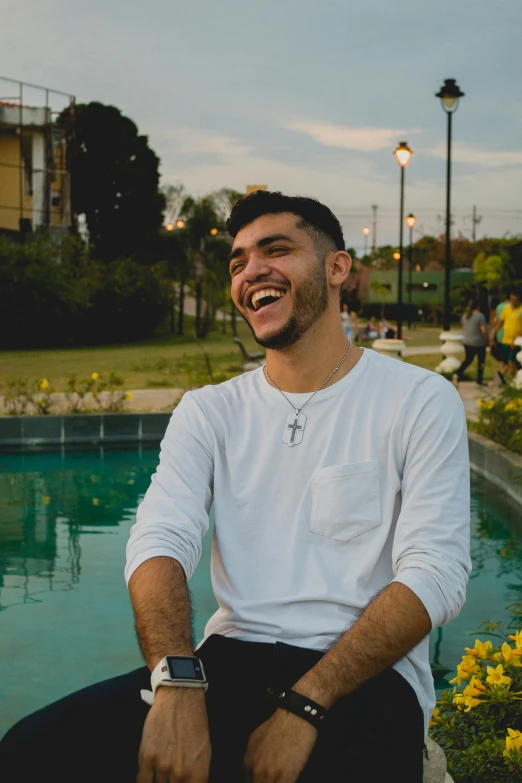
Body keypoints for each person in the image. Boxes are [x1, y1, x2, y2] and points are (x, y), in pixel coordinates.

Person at [0, 191, 471, 783]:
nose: (253, 271)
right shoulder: (209, 411)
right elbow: (159, 541)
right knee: (30, 751)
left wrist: (306, 703)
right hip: (228, 662)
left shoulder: (418, 399)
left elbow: (436, 573)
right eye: (239, 261)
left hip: (364, 678)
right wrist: (175, 683)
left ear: (337, 269)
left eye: (277, 249)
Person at [453, 298, 489, 386]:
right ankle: (479, 379)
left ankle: (458, 373)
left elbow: (465, 328)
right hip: (479, 342)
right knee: (481, 361)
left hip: (467, 341)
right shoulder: (480, 316)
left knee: (468, 360)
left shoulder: (465, 316)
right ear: (478, 306)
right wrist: (487, 339)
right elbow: (483, 330)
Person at [489, 287, 522, 380]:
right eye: (511, 300)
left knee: (511, 361)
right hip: (505, 340)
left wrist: (516, 340)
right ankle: (509, 377)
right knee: (506, 361)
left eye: (515, 300)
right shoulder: (506, 308)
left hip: (516, 342)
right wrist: (493, 334)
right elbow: (500, 323)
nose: (512, 302)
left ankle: (509, 378)